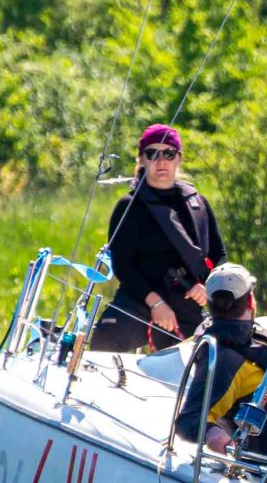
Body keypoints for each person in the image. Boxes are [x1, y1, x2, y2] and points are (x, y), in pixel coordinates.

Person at [89, 124, 226, 353]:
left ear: (178, 158)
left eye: (168, 153)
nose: (161, 161)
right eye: (152, 153)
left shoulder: (198, 204)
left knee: (212, 353)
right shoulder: (128, 207)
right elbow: (123, 266)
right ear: (142, 159)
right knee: (105, 338)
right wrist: (156, 303)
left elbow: (219, 256)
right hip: (140, 299)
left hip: (188, 302)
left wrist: (207, 286)